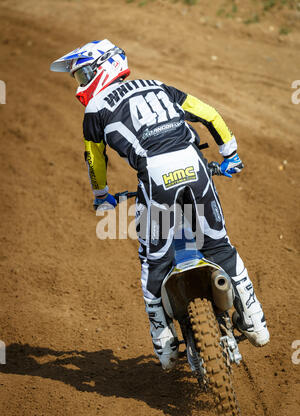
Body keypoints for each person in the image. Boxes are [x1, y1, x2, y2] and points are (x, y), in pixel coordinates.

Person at [50, 39, 270, 370]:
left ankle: (164, 342)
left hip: (156, 175)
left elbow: (94, 158)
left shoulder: (95, 109)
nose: (81, 86)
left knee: (155, 261)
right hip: (194, 165)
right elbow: (209, 113)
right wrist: (230, 155)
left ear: (102, 69)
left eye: (82, 76)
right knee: (219, 246)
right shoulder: (158, 86)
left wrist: (102, 197)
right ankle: (254, 319)